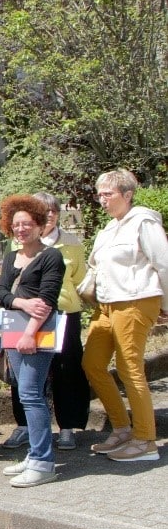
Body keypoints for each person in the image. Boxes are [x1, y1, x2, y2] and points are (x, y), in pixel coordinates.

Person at [81, 169, 167, 463]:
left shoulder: (144, 221)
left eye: (108, 194)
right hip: (107, 304)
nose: (102, 199)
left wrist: (166, 304)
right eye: (100, 194)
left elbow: (164, 264)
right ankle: (122, 429)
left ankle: (146, 441)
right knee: (92, 363)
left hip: (135, 300)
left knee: (130, 368)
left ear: (127, 195)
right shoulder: (109, 228)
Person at [0, 194, 66, 487]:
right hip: (14, 329)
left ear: (39, 225)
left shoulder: (51, 256)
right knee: (26, 395)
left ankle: (43, 462)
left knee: (32, 395)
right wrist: (22, 303)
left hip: (36, 333)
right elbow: (1, 294)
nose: (21, 229)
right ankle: (35, 454)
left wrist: (29, 334)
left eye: (27, 224)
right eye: (16, 224)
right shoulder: (12, 257)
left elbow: (47, 301)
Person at [33, 191, 91, 450]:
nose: (49, 216)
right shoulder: (21, 240)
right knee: (30, 371)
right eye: (42, 212)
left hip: (65, 313)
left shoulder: (72, 242)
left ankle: (67, 427)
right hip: (31, 313)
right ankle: (27, 427)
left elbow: (79, 277)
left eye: (53, 211)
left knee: (66, 369)